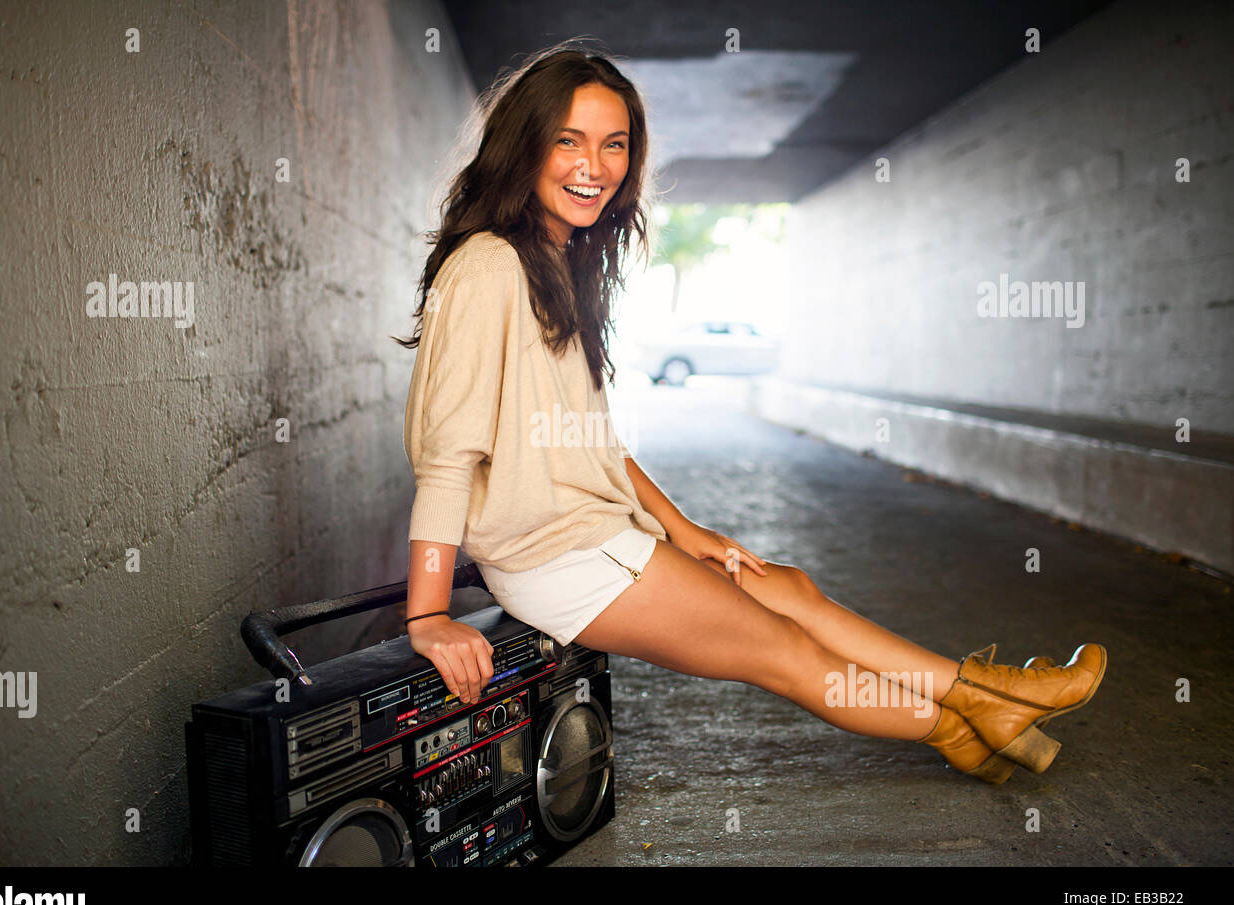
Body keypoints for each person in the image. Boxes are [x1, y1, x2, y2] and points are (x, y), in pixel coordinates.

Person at [393, 42, 1105, 784]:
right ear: (523, 146)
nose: (593, 165)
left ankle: (992, 696)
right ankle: (966, 722)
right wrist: (428, 618)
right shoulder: (488, 266)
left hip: (602, 532)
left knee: (789, 589)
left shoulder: (554, 264)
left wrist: (682, 527)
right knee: (788, 653)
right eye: (567, 140)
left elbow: (587, 442)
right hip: (561, 559)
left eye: (614, 144)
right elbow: (449, 455)